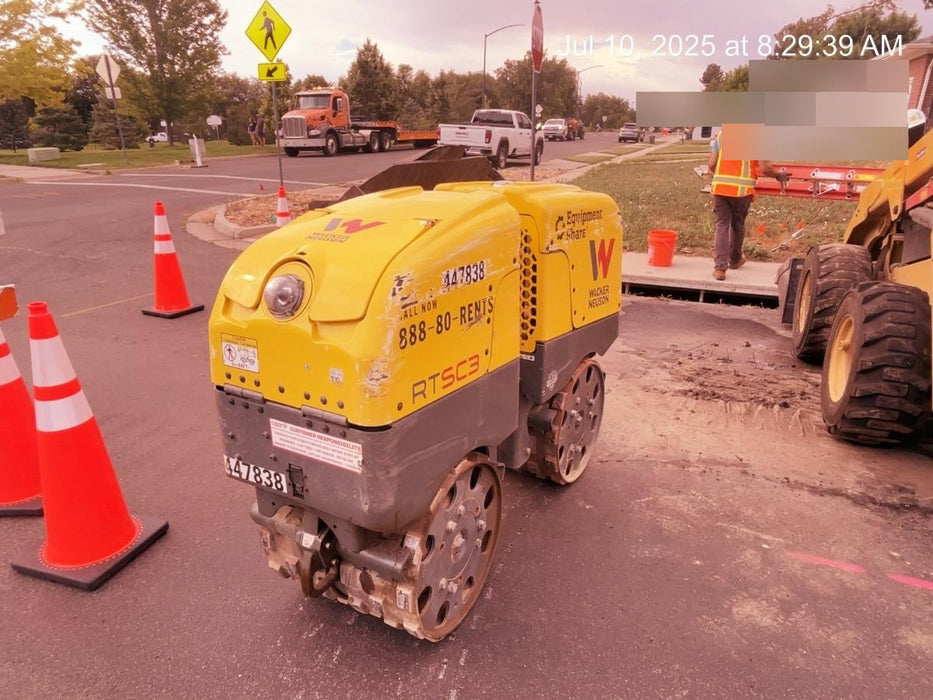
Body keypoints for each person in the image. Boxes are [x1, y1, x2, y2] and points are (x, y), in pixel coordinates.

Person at [707, 131, 788, 281]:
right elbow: (765, 168)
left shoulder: (722, 134)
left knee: (721, 226)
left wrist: (718, 174)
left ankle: (719, 269)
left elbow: (712, 164)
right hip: (742, 191)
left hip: (720, 188)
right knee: (737, 225)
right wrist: (778, 175)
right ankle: (735, 260)